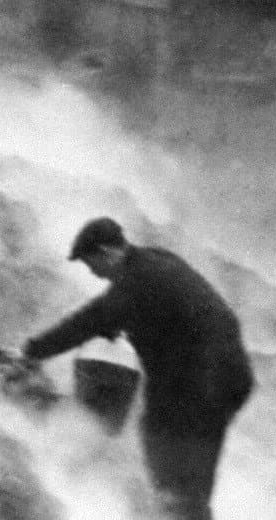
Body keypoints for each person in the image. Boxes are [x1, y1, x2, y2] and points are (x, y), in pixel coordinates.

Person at [23, 218, 254, 520]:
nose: (93, 273)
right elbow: (182, 310)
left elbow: (85, 322)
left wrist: (33, 350)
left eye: (91, 264)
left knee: (172, 472)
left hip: (202, 385)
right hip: (230, 377)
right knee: (187, 480)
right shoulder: (158, 259)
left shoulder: (132, 285)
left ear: (107, 252)